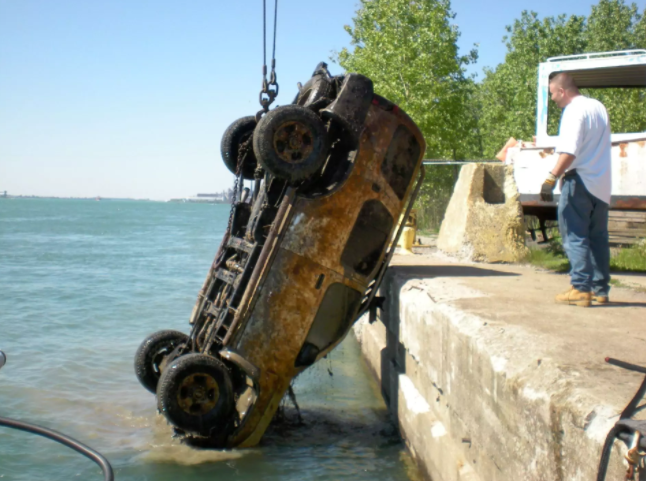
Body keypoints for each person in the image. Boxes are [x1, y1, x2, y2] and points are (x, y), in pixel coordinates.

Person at [540, 72, 612, 307]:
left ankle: (581, 288)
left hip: (579, 181)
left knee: (575, 235)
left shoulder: (572, 111)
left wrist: (551, 177)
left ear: (561, 91)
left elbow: (569, 151)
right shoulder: (597, 106)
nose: (552, 99)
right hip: (601, 183)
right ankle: (601, 290)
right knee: (598, 238)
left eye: (552, 94)